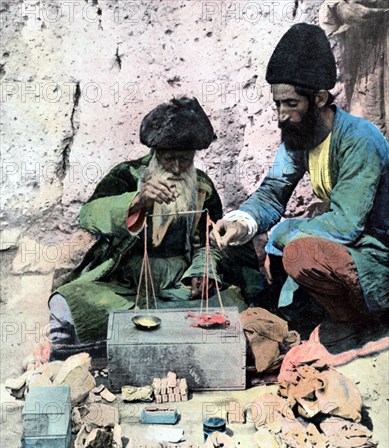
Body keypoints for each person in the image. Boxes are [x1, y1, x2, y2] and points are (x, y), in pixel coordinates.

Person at [214, 23, 389, 349]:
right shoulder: (300, 135)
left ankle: (361, 323)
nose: (282, 114)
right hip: (346, 249)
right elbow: (273, 190)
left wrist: (278, 238)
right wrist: (242, 222)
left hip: (376, 254)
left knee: (298, 252)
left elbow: (346, 225)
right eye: (278, 104)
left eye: (291, 104)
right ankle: (317, 323)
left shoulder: (360, 139)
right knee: (262, 251)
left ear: (320, 98)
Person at [48, 97, 224, 357]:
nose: (177, 168)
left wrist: (203, 270)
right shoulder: (127, 175)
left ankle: (111, 343)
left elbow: (209, 240)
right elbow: (88, 215)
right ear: (155, 153)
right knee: (66, 304)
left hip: (178, 288)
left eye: (185, 160)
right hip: (124, 285)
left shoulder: (202, 187)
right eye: (169, 159)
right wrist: (137, 201)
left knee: (231, 309)